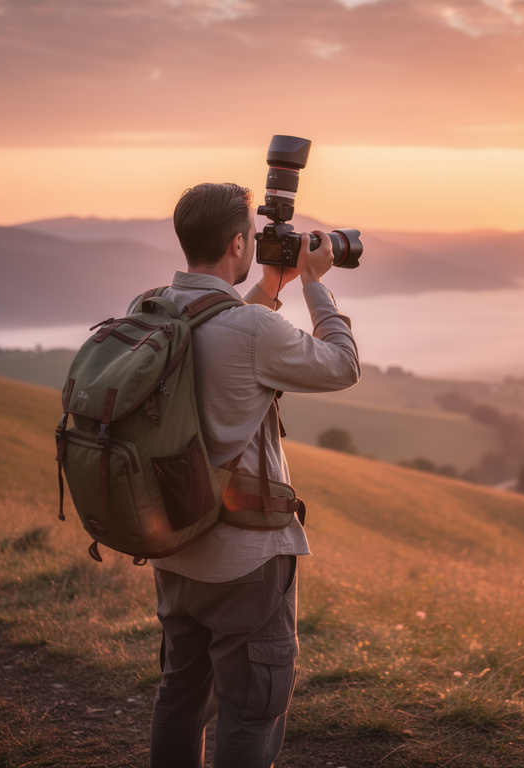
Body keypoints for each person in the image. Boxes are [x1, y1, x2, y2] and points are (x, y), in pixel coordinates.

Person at [141, 182, 360, 768]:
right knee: (250, 709)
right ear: (240, 242)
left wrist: (267, 288)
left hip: (172, 546)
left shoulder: (156, 308)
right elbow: (342, 366)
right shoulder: (250, 331)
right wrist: (315, 286)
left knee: (181, 698)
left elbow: (223, 339)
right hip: (246, 559)